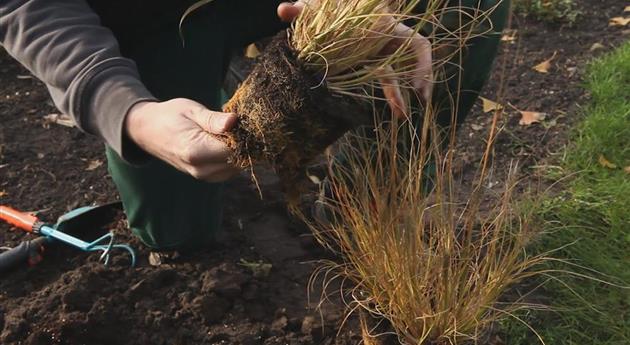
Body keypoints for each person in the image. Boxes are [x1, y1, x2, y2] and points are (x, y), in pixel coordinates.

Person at [0, 0, 509, 251]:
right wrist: (129, 111)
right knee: (177, 234)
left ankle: (360, 207)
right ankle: (207, 93)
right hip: (146, 21)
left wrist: (345, 13)